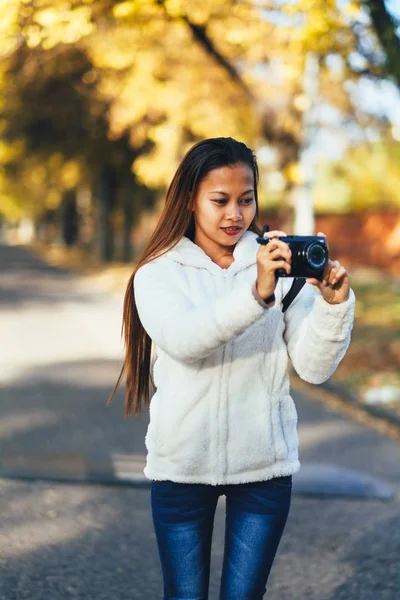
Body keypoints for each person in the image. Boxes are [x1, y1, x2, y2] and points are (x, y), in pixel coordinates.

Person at [109, 137, 355, 599]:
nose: (235, 215)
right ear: (189, 199)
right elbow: (186, 341)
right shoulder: (158, 273)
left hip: (263, 469)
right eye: (219, 200)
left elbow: (315, 368)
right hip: (181, 468)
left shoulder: (278, 267)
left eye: (246, 200)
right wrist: (256, 294)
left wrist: (335, 306)